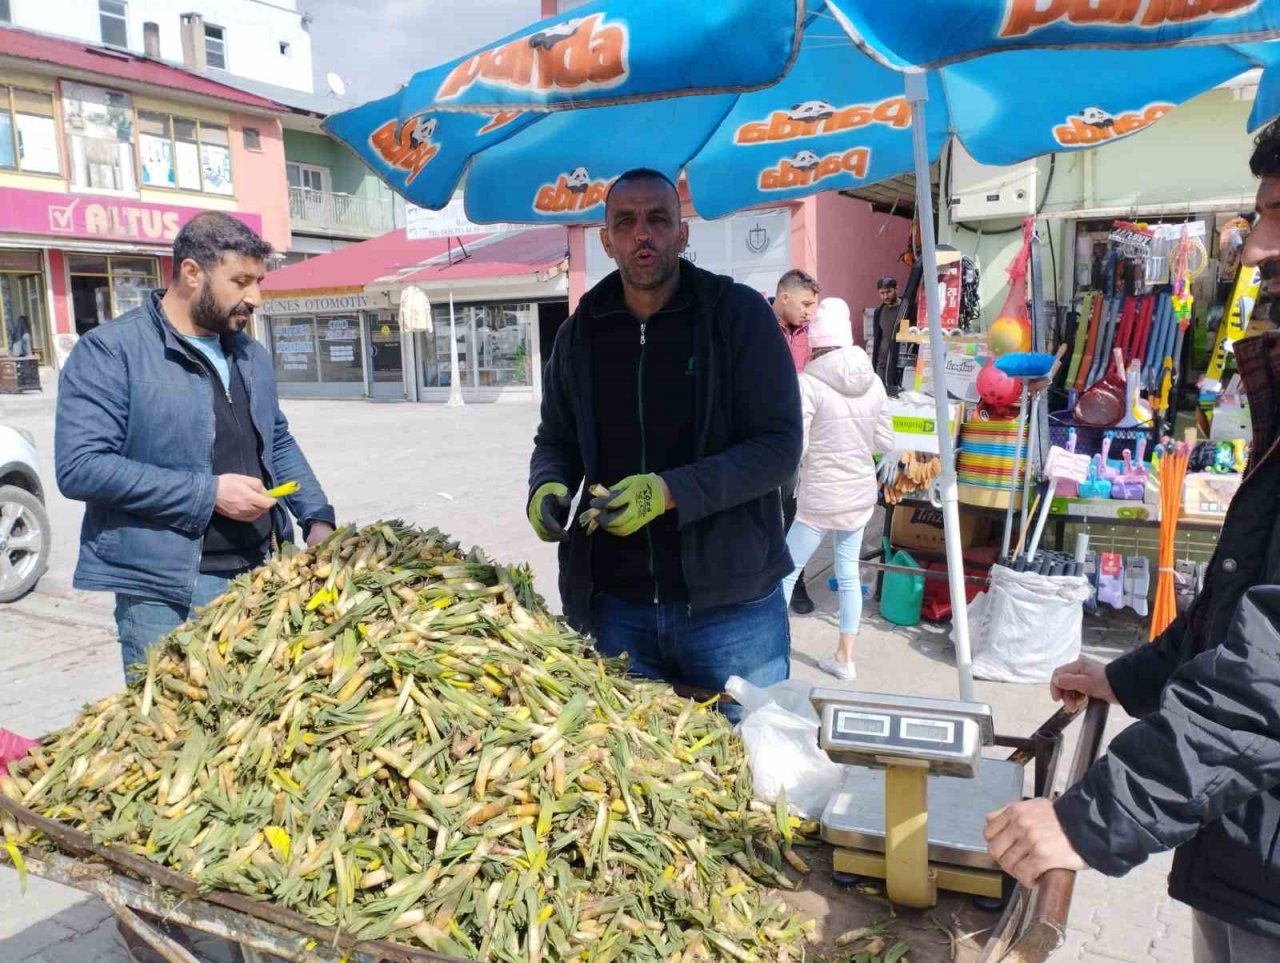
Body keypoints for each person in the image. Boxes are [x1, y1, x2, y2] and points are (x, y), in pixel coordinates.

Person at [983, 123, 1280, 962]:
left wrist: (1090, 818)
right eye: (1262, 215)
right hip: (1246, 847)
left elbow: (1268, 679)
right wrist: (1128, 675)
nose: (1257, 248)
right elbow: (1240, 606)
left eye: (1277, 217)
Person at [527, 168, 801, 712]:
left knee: (757, 754)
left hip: (733, 608)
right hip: (616, 610)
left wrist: (670, 491)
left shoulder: (736, 315)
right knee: (631, 763)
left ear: (683, 232)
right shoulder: (580, 333)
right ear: (607, 240)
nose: (642, 234)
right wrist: (547, 485)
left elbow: (779, 446)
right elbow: (556, 437)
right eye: (625, 222)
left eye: (658, 219)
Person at [56, 212, 336, 679]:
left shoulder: (250, 353)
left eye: (259, 282)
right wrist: (209, 493)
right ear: (191, 273)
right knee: (172, 719)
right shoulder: (110, 351)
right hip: (166, 594)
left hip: (261, 574)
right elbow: (81, 467)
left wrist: (316, 516)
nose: (255, 297)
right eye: (241, 281)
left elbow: (276, 439)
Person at [781, 298, 893, 681]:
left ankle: (774, 652)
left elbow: (798, 446)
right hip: (858, 495)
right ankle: (845, 658)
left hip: (819, 496)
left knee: (785, 571)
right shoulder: (874, 381)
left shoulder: (808, 383)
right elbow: (885, 441)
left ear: (816, 341)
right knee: (848, 574)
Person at [774, 269, 821, 615]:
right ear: (785, 297)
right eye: (805, 304)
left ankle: (795, 579)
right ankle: (762, 582)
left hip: (797, 438)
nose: (809, 312)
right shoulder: (757, 326)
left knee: (794, 511)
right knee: (760, 512)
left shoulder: (811, 335)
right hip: (761, 437)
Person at [870, 276, 901, 385]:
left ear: (897, 289)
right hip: (882, 362)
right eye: (882, 293)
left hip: (900, 361)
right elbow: (877, 338)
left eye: (889, 292)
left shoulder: (907, 308)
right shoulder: (879, 312)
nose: (885, 296)